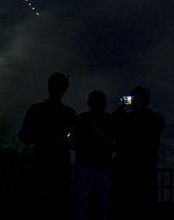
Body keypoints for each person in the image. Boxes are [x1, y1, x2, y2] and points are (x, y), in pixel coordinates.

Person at [19, 72, 77, 218]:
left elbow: (24, 137)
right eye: (57, 85)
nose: (58, 88)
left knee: (41, 205)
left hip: (44, 166)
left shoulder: (36, 109)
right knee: (55, 206)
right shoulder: (68, 113)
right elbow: (74, 143)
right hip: (54, 168)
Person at [111, 86, 165, 215]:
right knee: (144, 204)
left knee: (128, 204)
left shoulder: (127, 118)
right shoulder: (155, 118)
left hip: (129, 167)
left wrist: (120, 110)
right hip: (144, 167)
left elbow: (112, 128)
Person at [73, 90, 114, 220]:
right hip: (101, 167)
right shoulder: (109, 120)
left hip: (86, 166)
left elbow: (72, 141)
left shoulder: (81, 119)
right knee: (100, 204)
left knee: (82, 202)